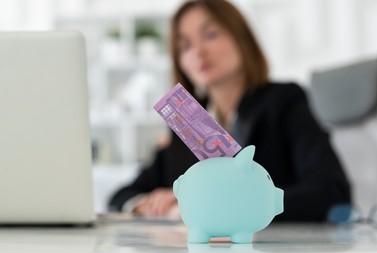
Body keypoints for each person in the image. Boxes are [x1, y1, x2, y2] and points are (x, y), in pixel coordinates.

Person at [109, 0, 351, 221]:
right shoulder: (186, 123)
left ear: (242, 39)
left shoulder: (284, 102)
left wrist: (229, 204)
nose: (198, 52)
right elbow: (122, 195)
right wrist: (145, 204)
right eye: (184, 46)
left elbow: (332, 191)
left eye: (211, 35)